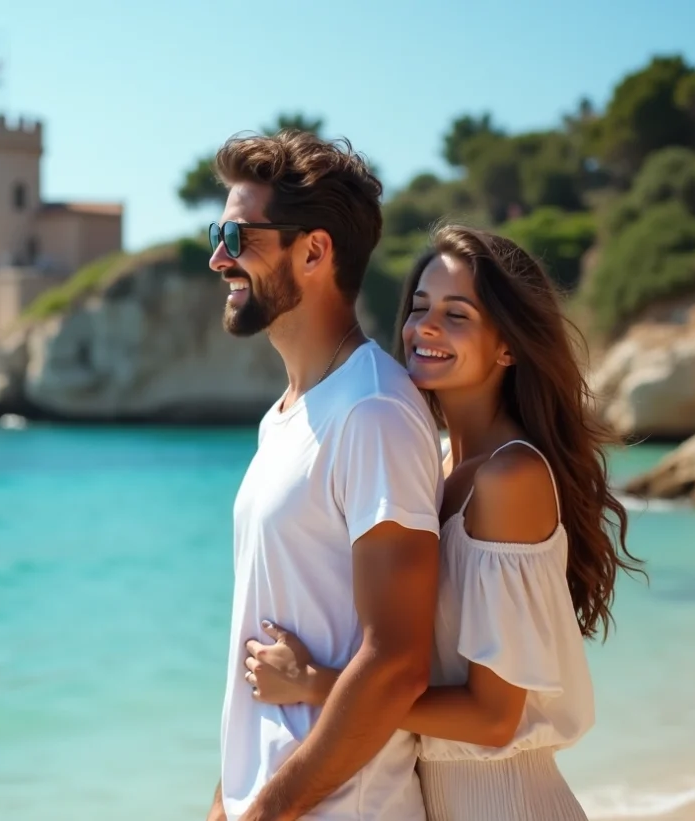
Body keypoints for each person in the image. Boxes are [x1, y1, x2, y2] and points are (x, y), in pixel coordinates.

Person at [241, 224, 646, 821]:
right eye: (420, 308)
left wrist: (316, 683)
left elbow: (492, 717)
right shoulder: (440, 467)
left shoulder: (510, 478)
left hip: (505, 803)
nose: (423, 328)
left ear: (508, 345)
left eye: (457, 315)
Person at [205, 128, 445, 821]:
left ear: (313, 250)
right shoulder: (285, 416)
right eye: (215, 232)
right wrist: (229, 800)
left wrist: (264, 813)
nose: (219, 258)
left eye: (238, 235)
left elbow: (397, 662)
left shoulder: (372, 410)